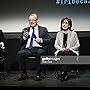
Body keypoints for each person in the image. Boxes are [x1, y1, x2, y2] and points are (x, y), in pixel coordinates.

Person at [17, 13, 51, 81]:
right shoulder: (25, 30)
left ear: (37, 20)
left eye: (33, 20)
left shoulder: (43, 29)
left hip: (39, 48)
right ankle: (24, 74)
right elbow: (20, 42)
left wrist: (41, 40)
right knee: (20, 53)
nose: (31, 22)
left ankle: (39, 74)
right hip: (28, 49)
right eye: (30, 20)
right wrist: (24, 37)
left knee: (39, 53)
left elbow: (49, 40)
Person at [54, 16, 80, 81]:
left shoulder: (74, 33)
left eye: (66, 23)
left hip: (71, 51)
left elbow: (78, 45)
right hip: (61, 51)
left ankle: (63, 73)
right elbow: (56, 45)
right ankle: (64, 73)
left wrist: (70, 48)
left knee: (66, 54)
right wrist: (61, 48)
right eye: (63, 23)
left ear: (69, 25)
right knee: (62, 54)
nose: (64, 24)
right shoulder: (58, 34)